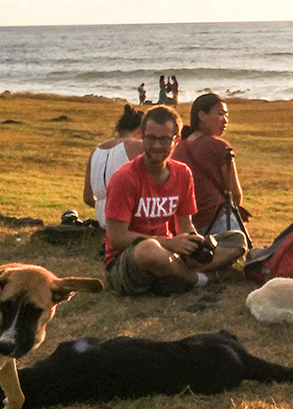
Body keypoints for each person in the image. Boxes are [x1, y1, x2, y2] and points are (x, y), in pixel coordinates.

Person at [103, 105, 246, 297]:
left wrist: (195, 243)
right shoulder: (125, 178)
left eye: (164, 139)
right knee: (148, 249)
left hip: (171, 253)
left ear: (176, 140)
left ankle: (174, 274)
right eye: (151, 138)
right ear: (142, 137)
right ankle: (199, 279)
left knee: (236, 239)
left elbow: (184, 225)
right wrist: (170, 244)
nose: (156, 145)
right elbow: (118, 238)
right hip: (130, 259)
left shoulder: (182, 173)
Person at [175, 92, 250, 235]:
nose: (225, 120)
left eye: (226, 115)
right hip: (217, 219)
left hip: (187, 224)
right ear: (202, 115)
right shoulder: (219, 147)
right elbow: (235, 194)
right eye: (220, 114)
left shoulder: (179, 147)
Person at [83, 103, 145, 228]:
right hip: (129, 218)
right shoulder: (137, 145)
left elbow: (88, 197)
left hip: (103, 219)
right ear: (140, 130)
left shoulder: (96, 151)